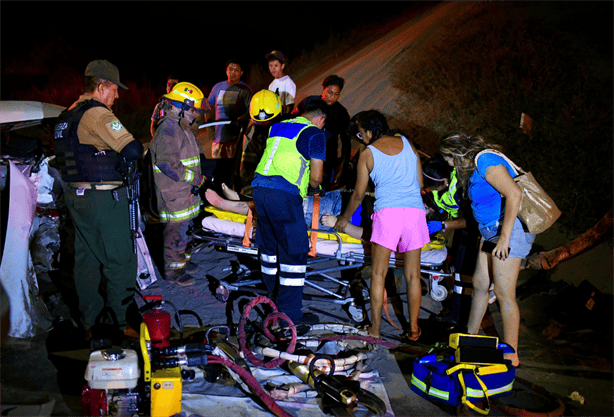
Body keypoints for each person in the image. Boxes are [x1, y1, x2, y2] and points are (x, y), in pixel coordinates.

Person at [52, 59, 144, 338]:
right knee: (121, 262)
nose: (117, 96)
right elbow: (133, 149)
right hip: (103, 200)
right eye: (115, 90)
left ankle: (90, 322)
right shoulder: (98, 114)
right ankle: (117, 323)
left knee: (87, 260)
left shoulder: (67, 115)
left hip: (76, 197)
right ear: (101, 87)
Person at [439, 132, 536, 367]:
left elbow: (514, 194)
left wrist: (504, 239)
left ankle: (511, 354)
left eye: (448, 157)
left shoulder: (485, 160)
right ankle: (469, 338)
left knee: (504, 295)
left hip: (509, 231)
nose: (447, 162)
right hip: (490, 231)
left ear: (457, 153)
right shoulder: (474, 168)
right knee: (481, 285)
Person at [333, 110, 429, 341]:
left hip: (388, 214)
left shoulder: (368, 153)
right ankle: (414, 329)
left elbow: (358, 194)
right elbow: (420, 182)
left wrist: (344, 220)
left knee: (378, 273)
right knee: (413, 275)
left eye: (360, 133)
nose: (360, 137)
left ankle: (375, 330)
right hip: (414, 213)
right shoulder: (407, 144)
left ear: (368, 131)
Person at [251, 99, 328, 324]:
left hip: (258, 189)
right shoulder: (315, 134)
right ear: (320, 119)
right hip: (283, 196)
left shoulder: (278, 126)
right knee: (294, 252)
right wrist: (315, 187)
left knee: (270, 249)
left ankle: (272, 304)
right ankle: (289, 318)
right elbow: (316, 178)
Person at [149, 82, 208, 286]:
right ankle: (173, 271)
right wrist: (195, 178)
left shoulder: (182, 127)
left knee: (185, 231)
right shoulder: (169, 129)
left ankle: (181, 262)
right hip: (174, 194)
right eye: (193, 110)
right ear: (181, 107)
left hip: (184, 193)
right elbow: (167, 163)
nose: (195, 114)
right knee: (176, 232)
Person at [292, 75, 350, 189]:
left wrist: (342, 170)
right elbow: (292, 119)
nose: (332, 97)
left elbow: (346, 144)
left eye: (336, 94)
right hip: (300, 155)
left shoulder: (342, 113)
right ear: (323, 88)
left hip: (326, 161)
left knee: (318, 192)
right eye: (329, 92)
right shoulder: (309, 102)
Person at [206, 58, 253, 187]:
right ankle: (221, 199)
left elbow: (252, 110)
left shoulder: (245, 90)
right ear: (226, 70)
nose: (233, 73)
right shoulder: (217, 87)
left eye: (236, 70)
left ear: (241, 72)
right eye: (230, 69)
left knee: (235, 173)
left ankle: (236, 198)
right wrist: (209, 127)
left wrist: (243, 117)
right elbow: (208, 107)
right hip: (219, 140)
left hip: (236, 140)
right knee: (219, 173)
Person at [237, 89, 287, 195]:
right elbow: (246, 171)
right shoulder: (254, 138)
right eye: (261, 125)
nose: (266, 128)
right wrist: (250, 196)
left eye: (270, 123)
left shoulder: (292, 131)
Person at [266, 50, 296, 115]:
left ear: (282, 66)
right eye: (270, 66)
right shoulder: (271, 86)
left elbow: (290, 106)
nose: (272, 68)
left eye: (276, 66)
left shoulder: (288, 82)